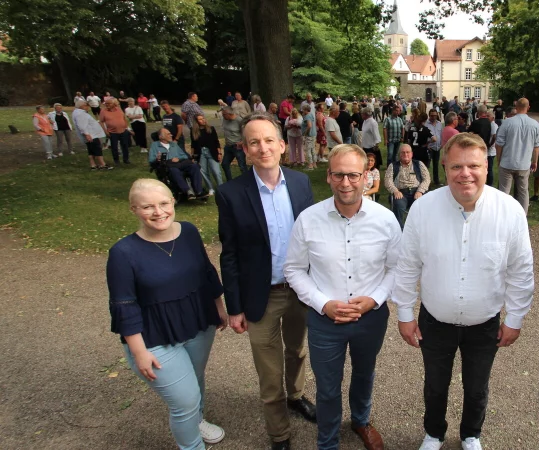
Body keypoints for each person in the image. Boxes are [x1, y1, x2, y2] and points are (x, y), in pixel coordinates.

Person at [393, 133, 534, 450]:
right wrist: (404, 314)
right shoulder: (423, 209)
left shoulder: (509, 211)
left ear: (486, 166)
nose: (465, 174)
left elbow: (520, 270)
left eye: (473, 165)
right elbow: (407, 266)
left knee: (477, 387)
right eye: (457, 166)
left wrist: (515, 318)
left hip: (484, 322)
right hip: (435, 319)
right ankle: (434, 433)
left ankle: (471, 434)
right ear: (444, 166)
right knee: (435, 385)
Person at [284, 144, 400, 450]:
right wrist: (324, 304)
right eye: (338, 175)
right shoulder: (308, 219)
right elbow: (293, 269)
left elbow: (397, 268)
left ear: (365, 176)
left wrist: (374, 299)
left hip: (370, 318)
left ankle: (361, 421)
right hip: (324, 321)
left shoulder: (386, 219)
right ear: (328, 176)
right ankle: (328, 440)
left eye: (352, 175)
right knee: (327, 386)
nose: (345, 182)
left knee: (364, 373)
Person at [216, 113, 316, 450]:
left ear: (282, 144)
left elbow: (315, 238)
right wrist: (234, 307)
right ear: (245, 149)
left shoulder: (301, 184)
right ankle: (279, 435)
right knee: (269, 371)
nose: (263, 147)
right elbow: (229, 254)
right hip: (261, 295)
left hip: (301, 290)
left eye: (269, 140)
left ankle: (297, 395)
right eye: (254, 142)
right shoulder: (231, 193)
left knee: (297, 351)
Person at [107, 178, 228, 450]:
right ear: (133, 210)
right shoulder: (123, 253)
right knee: (183, 400)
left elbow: (206, 271)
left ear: (173, 202)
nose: (158, 212)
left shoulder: (188, 232)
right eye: (147, 206)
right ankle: (191, 445)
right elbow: (123, 305)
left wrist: (218, 305)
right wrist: (139, 353)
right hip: (154, 337)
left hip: (198, 323)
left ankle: (197, 420)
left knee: (194, 381)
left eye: (163, 203)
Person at [495, 98, 539, 216]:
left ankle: (503, 215)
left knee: (504, 191)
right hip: (524, 163)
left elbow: (499, 144)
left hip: (507, 162)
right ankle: (523, 215)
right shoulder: (535, 124)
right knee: (523, 191)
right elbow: (536, 146)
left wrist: (499, 159)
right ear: (528, 107)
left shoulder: (507, 122)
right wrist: (535, 161)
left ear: (516, 106)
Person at [149, 128, 205, 201]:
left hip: (180, 163)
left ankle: (199, 191)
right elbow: (151, 160)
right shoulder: (155, 145)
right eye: (168, 134)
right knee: (174, 170)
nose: (171, 135)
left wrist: (178, 158)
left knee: (194, 166)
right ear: (161, 137)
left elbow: (184, 156)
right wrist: (158, 158)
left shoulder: (174, 144)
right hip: (167, 166)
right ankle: (188, 191)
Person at [385, 144, 430, 228]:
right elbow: (388, 181)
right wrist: (395, 191)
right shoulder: (393, 166)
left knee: (422, 206)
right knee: (398, 205)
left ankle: (420, 229)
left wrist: (420, 191)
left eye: (408, 152)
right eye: (403, 152)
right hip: (401, 193)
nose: (406, 155)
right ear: (399, 155)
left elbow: (427, 179)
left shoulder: (419, 164)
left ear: (412, 154)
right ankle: (399, 230)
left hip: (417, 192)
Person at [72, 100, 113, 170]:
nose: (88, 106)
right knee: (97, 149)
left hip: (90, 134)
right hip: (91, 135)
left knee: (91, 150)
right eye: (86, 105)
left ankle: (93, 165)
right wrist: (87, 134)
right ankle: (102, 164)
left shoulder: (78, 112)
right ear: (82, 106)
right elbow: (82, 125)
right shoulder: (80, 114)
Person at [191, 114, 224, 195]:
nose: (203, 120)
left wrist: (219, 153)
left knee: (216, 171)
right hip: (200, 153)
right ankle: (210, 188)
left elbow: (216, 141)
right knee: (203, 171)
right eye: (200, 119)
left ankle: (221, 187)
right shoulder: (193, 131)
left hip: (211, 152)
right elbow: (193, 144)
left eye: (203, 118)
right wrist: (192, 156)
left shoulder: (211, 129)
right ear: (196, 121)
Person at [99, 98, 131, 164]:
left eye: (109, 103)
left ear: (113, 104)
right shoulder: (103, 111)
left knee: (125, 145)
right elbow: (101, 122)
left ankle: (126, 159)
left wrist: (126, 127)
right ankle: (116, 160)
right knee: (114, 147)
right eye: (106, 104)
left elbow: (124, 118)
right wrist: (105, 131)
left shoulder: (119, 109)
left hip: (123, 131)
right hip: (112, 132)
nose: (107, 105)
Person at [219, 106, 247, 181]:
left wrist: (241, 142)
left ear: (229, 114)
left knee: (242, 166)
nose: (223, 116)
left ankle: (246, 182)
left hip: (237, 147)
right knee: (224, 164)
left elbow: (246, 133)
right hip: (228, 146)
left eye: (224, 115)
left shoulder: (239, 120)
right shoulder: (225, 119)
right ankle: (230, 182)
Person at [425, 109, 444, 185]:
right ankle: (426, 182)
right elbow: (424, 137)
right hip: (429, 148)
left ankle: (436, 181)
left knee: (436, 165)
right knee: (427, 166)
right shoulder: (426, 124)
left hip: (437, 148)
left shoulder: (439, 124)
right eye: (432, 115)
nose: (433, 117)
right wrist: (427, 145)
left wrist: (441, 144)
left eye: (435, 115)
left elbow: (441, 134)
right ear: (429, 115)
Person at [301, 104, 318, 170]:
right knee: (313, 149)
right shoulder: (311, 114)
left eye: (303, 110)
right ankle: (314, 164)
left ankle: (310, 165)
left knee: (308, 150)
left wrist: (305, 133)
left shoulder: (307, 116)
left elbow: (309, 126)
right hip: (313, 135)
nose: (302, 111)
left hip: (309, 136)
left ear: (305, 110)